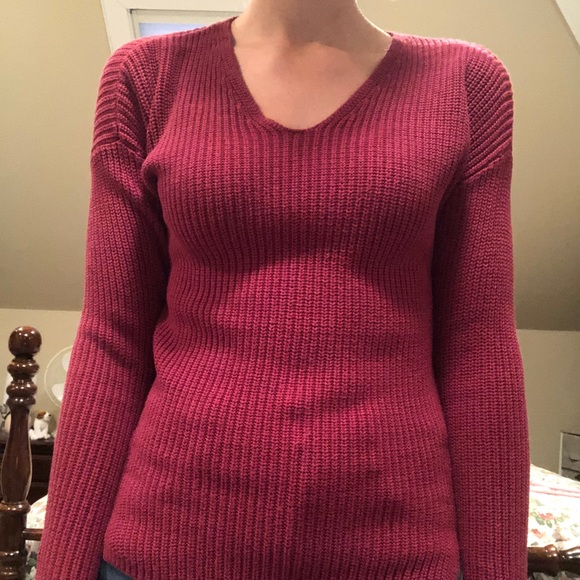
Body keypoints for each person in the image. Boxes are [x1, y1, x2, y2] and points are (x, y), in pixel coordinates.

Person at [35, 0, 530, 578]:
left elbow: (480, 351)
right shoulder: (146, 76)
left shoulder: (466, 84)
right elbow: (111, 340)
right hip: (162, 548)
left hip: (397, 555)